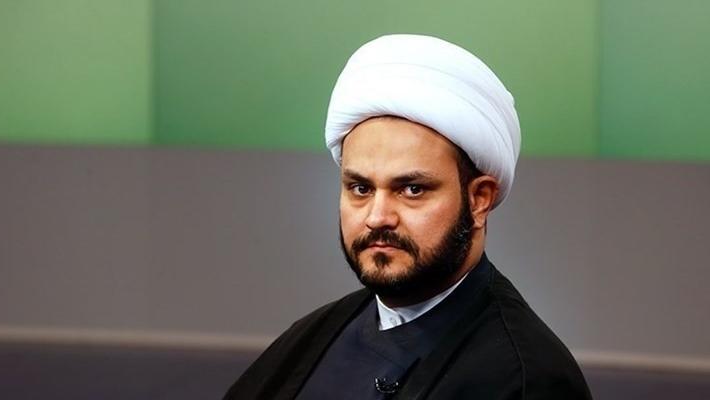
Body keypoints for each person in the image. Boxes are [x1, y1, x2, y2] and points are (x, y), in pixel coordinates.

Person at [225, 34, 592, 399]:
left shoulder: (524, 379)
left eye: (412, 189)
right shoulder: (314, 337)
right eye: (361, 188)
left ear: (479, 200)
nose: (377, 217)